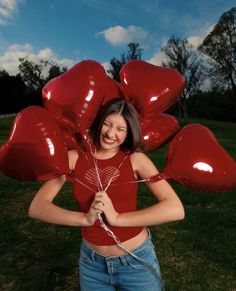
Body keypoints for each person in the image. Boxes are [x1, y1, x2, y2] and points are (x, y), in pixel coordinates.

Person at [28, 98, 185, 291]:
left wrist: (118, 218)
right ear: (99, 122)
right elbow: (37, 207)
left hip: (135, 260)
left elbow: (175, 208)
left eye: (120, 129)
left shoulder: (135, 159)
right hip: (92, 264)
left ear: (129, 133)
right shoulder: (74, 158)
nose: (111, 133)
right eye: (107, 124)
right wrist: (85, 219)